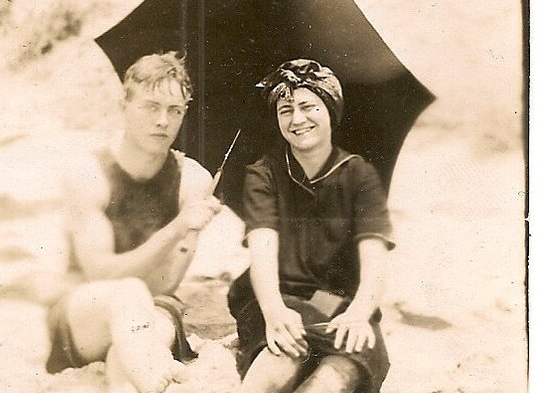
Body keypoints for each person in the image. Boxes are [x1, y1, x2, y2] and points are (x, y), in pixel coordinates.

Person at [45, 51, 221, 393]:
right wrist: (176, 229)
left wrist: (187, 227)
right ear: (124, 104)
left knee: (127, 352)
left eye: (175, 111)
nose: (163, 121)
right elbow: (100, 273)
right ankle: (151, 373)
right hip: (87, 311)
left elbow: (163, 284)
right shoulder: (89, 173)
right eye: (151, 106)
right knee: (128, 294)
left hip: (152, 312)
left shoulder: (193, 182)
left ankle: (139, 379)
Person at [228, 59, 394, 393]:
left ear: (330, 110)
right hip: (276, 297)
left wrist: (361, 312)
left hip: (342, 305)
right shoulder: (264, 174)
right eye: (285, 109)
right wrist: (274, 312)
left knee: (336, 376)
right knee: (281, 355)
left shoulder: (359, 175)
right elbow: (262, 250)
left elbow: (375, 258)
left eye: (308, 106)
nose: (297, 119)